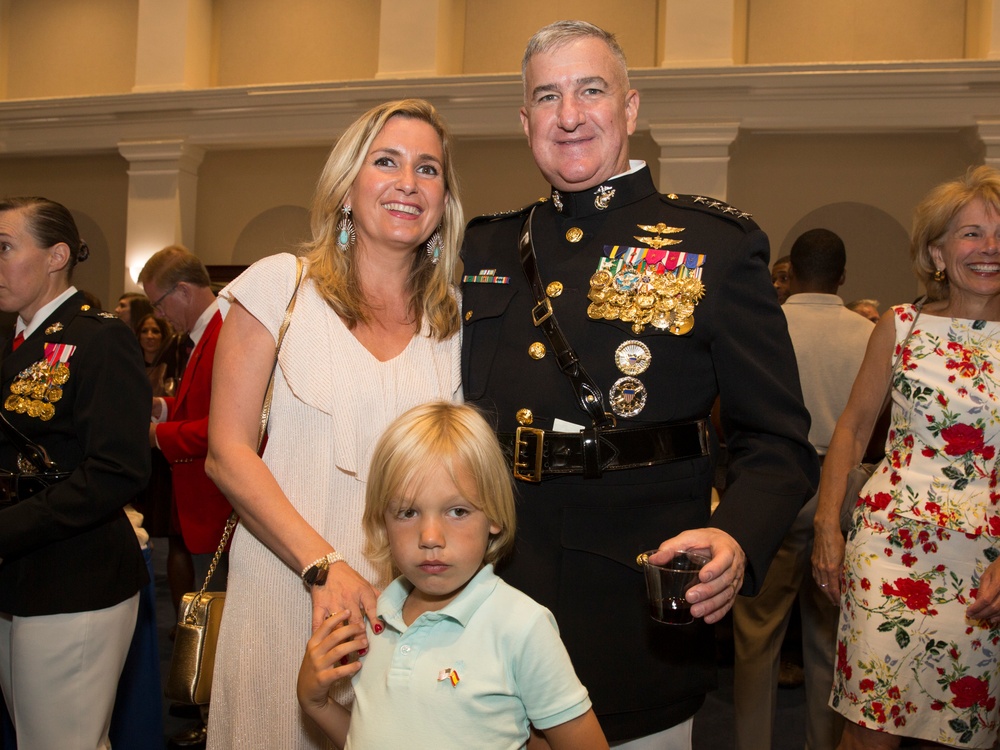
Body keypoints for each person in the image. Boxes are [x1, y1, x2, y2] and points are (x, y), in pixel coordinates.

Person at [460, 20, 819, 748]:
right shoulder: (487, 244)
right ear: (524, 121)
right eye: (547, 96)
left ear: (629, 108)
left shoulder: (712, 245)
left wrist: (735, 535)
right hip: (489, 587)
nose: (569, 115)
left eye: (591, 90)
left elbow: (777, 441)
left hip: (628, 608)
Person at [205, 98, 463, 749]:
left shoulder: (455, 324)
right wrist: (323, 566)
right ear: (348, 185)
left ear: (444, 199)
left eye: (428, 169)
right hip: (285, 587)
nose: (409, 182)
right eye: (387, 162)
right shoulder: (281, 287)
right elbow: (227, 452)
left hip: (405, 604)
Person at [812, 165, 1000, 749]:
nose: (988, 249)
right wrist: (826, 523)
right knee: (869, 730)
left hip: (985, 567)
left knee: (966, 732)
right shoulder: (900, 325)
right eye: (970, 234)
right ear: (938, 252)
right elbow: (852, 428)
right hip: (888, 553)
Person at [297, 401, 609, 750]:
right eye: (408, 512)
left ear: (493, 515)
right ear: (381, 523)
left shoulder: (521, 626)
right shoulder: (373, 618)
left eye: (457, 511)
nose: (430, 537)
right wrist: (317, 704)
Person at [0, 196, 151, 749]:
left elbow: (116, 470)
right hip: (18, 574)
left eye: (5, 248)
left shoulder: (99, 338)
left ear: (56, 255)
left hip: (75, 574)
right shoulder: (13, 337)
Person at [733, 228, 874, 750]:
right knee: (830, 639)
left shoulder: (764, 325)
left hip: (770, 487)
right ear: (841, 277)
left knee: (755, 636)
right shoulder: (867, 333)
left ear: (790, 274)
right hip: (843, 493)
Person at [139, 245, 232, 748]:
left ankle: (217, 719)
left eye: (159, 304)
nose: (158, 316)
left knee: (221, 622)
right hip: (203, 498)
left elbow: (226, 426)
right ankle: (209, 711)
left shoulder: (223, 332)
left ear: (184, 291)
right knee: (213, 613)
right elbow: (197, 404)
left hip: (217, 502)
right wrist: (163, 407)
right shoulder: (205, 333)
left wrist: (160, 436)